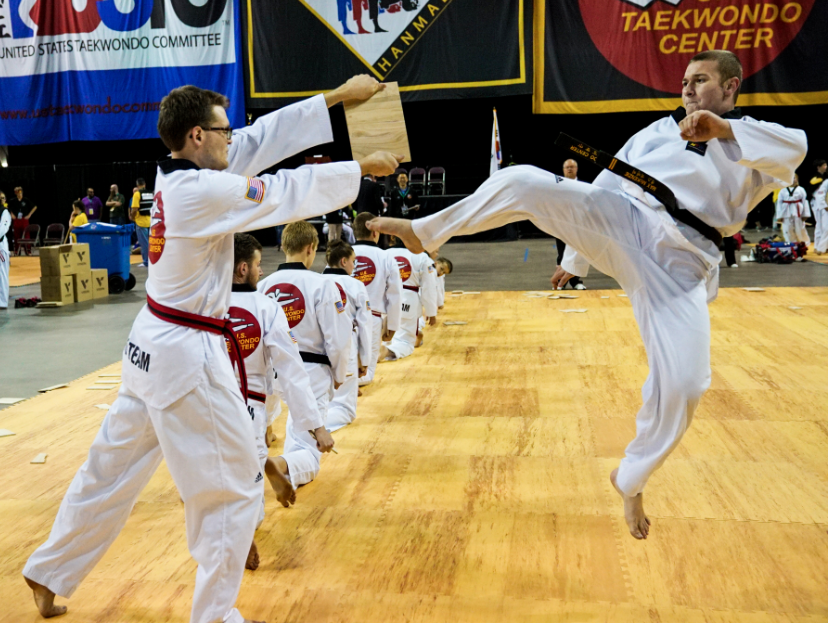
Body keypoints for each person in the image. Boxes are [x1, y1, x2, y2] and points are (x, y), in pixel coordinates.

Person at [367, 50, 807, 540]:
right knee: (522, 180)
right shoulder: (655, 134)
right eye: (684, 80)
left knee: (686, 384)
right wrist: (572, 261)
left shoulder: (752, 144)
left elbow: (797, 148)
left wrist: (722, 131)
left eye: (700, 80)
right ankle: (424, 231)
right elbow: (602, 189)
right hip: (627, 220)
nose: (686, 89)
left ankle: (631, 478)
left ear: (730, 88)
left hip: (683, 263)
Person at [22, 76, 401, 623]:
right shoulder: (202, 191)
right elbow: (281, 193)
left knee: (108, 471)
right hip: (186, 356)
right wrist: (361, 171)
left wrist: (339, 97)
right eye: (224, 130)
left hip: (148, 347)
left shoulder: (181, 168)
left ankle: (50, 569)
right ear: (198, 134)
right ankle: (214, 614)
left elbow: (259, 140)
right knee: (231, 491)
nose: (233, 138)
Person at [227, 233, 326, 571]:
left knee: (213, 476)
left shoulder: (202, 306)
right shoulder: (267, 308)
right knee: (248, 475)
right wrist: (315, 426)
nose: (260, 270)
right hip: (249, 405)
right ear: (243, 268)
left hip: (206, 404)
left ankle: (231, 530)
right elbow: (291, 372)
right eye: (257, 265)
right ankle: (243, 534)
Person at [257, 222, 351, 488]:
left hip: (267, 370)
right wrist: (339, 373)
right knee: (307, 448)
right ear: (311, 248)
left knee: (255, 428)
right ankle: (283, 465)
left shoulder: (262, 286)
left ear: (284, 247)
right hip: (309, 371)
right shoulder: (322, 284)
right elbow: (338, 338)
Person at [322, 239, 372, 431]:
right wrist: (365, 359)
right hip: (345, 345)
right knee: (344, 408)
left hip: (317, 347)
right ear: (343, 261)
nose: (354, 265)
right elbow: (364, 324)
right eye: (353, 261)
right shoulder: (355, 285)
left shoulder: (315, 281)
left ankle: (310, 423)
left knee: (321, 397)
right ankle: (316, 429)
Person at [352, 212, 402, 386]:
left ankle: (343, 382)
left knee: (345, 362)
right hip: (372, 318)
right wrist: (393, 325)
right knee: (366, 374)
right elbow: (394, 294)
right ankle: (347, 387)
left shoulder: (340, 254)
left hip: (342, 317)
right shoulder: (386, 257)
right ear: (375, 232)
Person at [382, 247, 437, 361]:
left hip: (384, 298)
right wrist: (431, 312)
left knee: (383, 335)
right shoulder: (421, 257)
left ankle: (374, 351)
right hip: (407, 300)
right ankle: (385, 352)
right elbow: (429, 287)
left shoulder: (385, 254)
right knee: (405, 341)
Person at [554, 159, 586, 290]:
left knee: (576, 252)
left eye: (572, 167)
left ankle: (576, 281)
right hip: (562, 223)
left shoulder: (583, 186)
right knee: (562, 253)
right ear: (563, 170)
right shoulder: (557, 186)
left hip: (578, 224)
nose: (569, 169)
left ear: (576, 169)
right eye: (567, 167)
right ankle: (561, 281)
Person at [775, 175, 810, 244]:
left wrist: (805, 214)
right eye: (790, 178)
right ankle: (791, 243)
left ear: (797, 179)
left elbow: (805, 202)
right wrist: (779, 216)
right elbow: (779, 204)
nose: (792, 180)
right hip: (786, 212)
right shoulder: (782, 190)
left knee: (800, 228)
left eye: (794, 178)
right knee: (787, 228)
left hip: (798, 211)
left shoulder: (801, 189)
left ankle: (804, 243)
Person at [129, 178, 153, 266]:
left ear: (137, 185)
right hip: (150, 221)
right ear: (145, 184)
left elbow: (134, 208)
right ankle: (152, 260)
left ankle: (146, 262)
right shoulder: (151, 193)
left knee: (144, 243)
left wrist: (132, 217)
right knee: (151, 242)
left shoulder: (137, 194)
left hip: (140, 222)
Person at [0, 194, 11, 309]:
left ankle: (2, 302)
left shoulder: (4, 212)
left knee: (2, 273)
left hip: (0, 247)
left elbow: (2, 229)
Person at [813, 178, 828, 255]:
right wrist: (825, 206)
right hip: (825, 208)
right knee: (825, 228)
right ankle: (820, 248)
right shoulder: (826, 182)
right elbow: (820, 195)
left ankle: (822, 247)